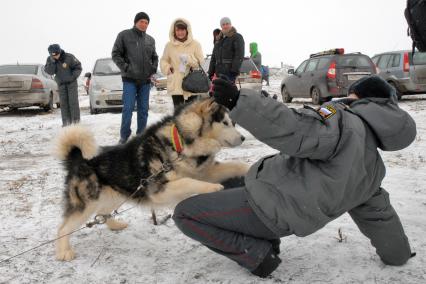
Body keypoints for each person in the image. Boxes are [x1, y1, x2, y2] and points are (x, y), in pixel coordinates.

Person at [173, 75, 417, 278]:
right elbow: (380, 217)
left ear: (362, 99)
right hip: (288, 215)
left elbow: (293, 129)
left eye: (351, 94)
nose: (345, 97)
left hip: (268, 207)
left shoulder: (343, 121)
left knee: (185, 214)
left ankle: (256, 254)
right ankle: (264, 240)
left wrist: (239, 100)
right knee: (229, 179)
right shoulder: (373, 169)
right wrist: (399, 254)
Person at [112, 12, 158, 144]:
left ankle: (141, 136)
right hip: (129, 80)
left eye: (146, 22)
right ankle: (124, 136)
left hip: (145, 81)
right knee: (128, 108)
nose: (144, 24)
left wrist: (153, 68)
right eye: (141, 21)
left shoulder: (150, 40)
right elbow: (116, 54)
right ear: (135, 22)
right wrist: (126, 68)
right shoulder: (124, 35)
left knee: (143, 110)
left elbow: (154, 57)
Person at [160, 18, 204, 109]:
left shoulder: (196, 44)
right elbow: (163, 60)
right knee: (178, 112)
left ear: (187, 30)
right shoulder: (169, 45)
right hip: (176, 83)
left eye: (182, 30)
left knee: (192, 113)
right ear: (174, 31)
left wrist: (189, 59)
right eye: (178, 30)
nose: (180, 32)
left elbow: (200, 62)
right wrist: (168, 68)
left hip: (192, 84)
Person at [44, 44, 82, 126]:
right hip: (61, 85)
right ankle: (66, 124)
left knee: (73, 103)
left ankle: (76, 124)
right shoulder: (50, 60)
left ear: (60, 51)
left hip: (71, 83)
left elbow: (78, 67)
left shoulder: (69, 57)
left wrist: (73, 77)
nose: (56, 57)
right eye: (53, 55)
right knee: (64, 104)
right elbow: (50, 71)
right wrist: (53, 62)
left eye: (57, 54)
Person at [208, 17, 244, 83]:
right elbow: (213, 58)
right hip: (218, 73)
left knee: (228, 92)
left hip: (230, 73)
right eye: (223, 24)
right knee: (218, 92)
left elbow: (239, 55)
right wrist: (211, 72)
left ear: (230, 24)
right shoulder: (218, 40)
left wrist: (234, 71)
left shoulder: (236, 37)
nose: (225, 26)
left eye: (227, 24)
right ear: (221, 26)